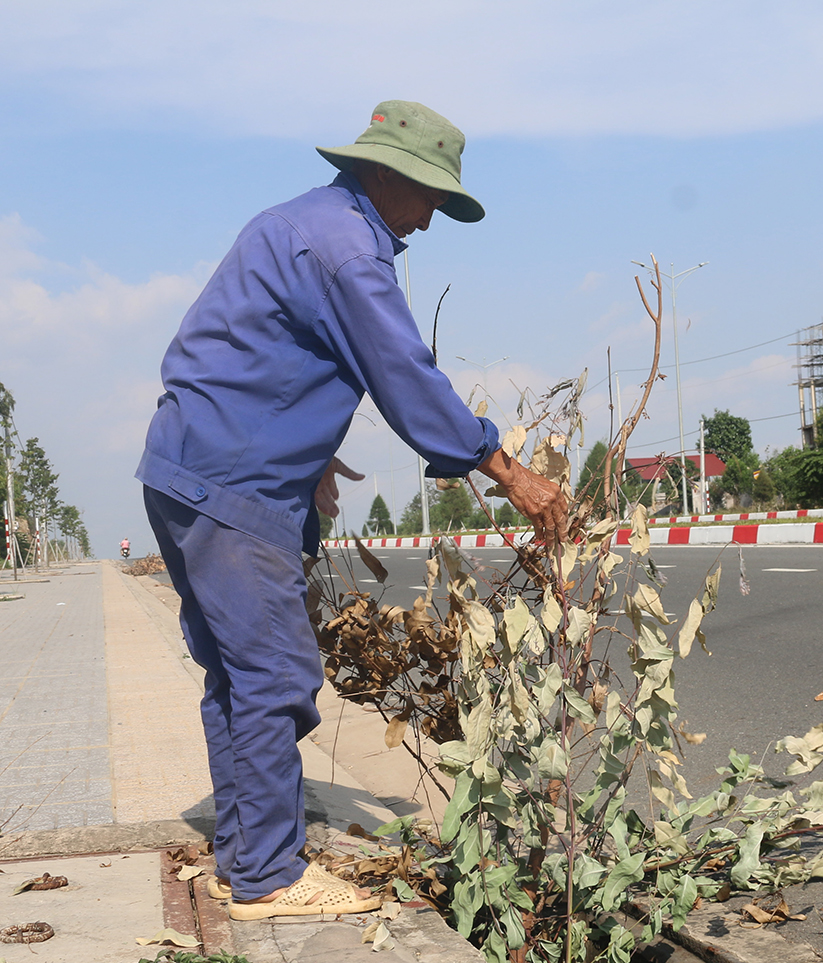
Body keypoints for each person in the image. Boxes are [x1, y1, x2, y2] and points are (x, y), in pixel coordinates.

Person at [135, 101, 567, 921]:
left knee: (236, 674)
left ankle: (243, 858)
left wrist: (305, 447)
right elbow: (405, 376)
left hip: (190, 470)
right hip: (231, 488)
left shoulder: (303, 224)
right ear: (390, 174)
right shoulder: (347, 251)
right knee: (274, 675)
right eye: (432, 198)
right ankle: (268, 876)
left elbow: (243, 352)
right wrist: (508, 470)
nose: (432, 221)